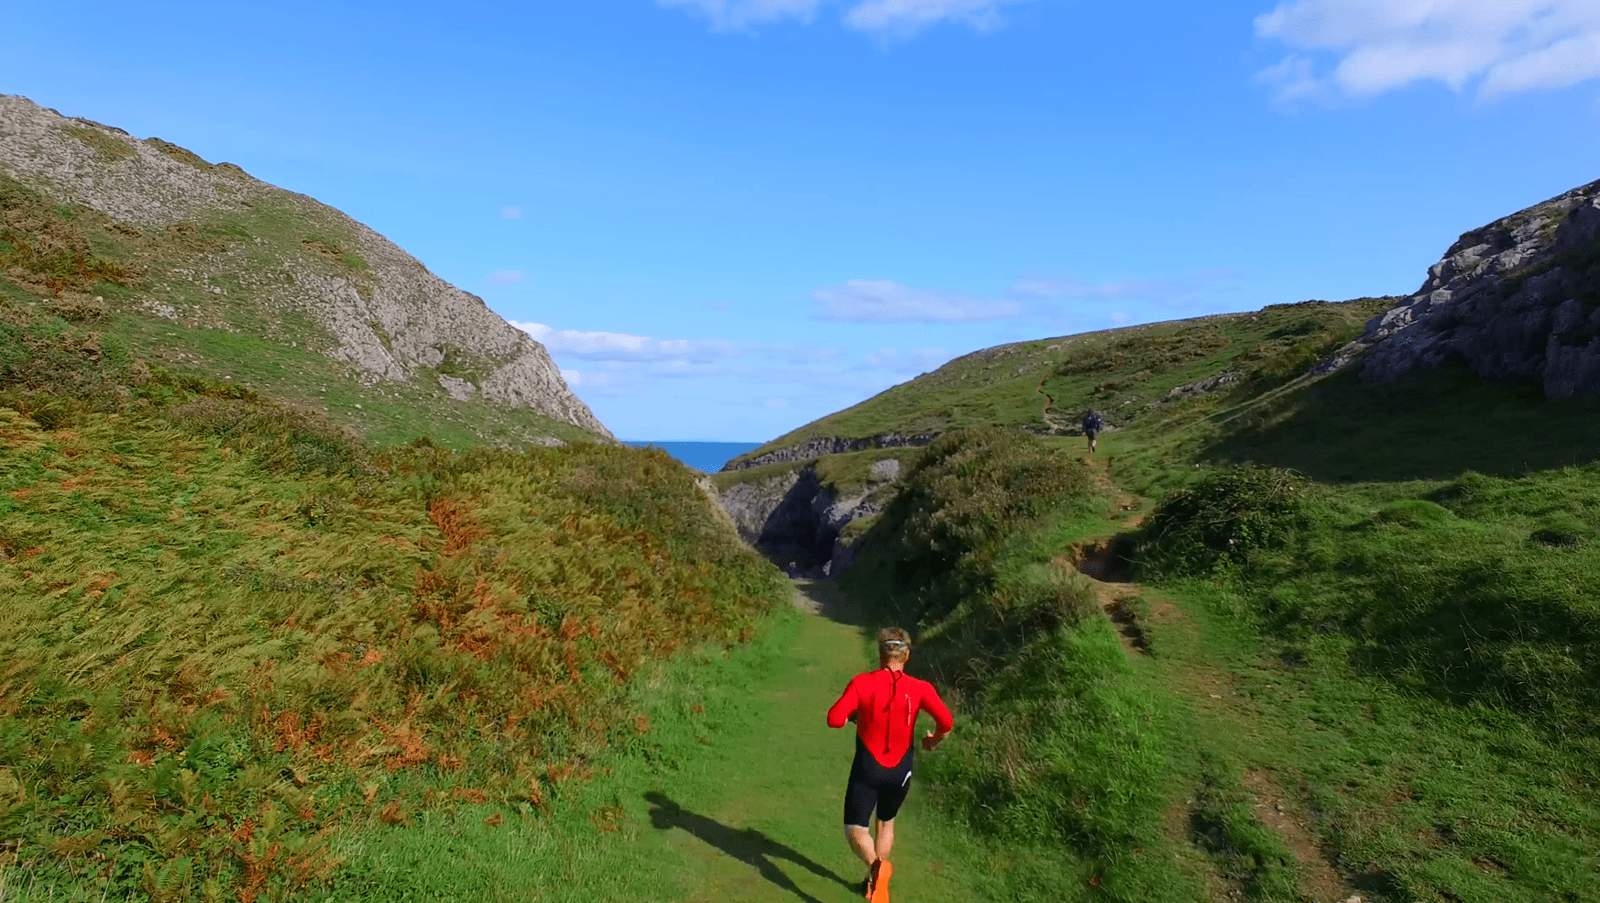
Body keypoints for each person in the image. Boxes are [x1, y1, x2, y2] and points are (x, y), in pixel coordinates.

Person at [826, 628, 954, 902]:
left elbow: (834, 719)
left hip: (868, 767)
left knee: (856, 829)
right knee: (886, 823)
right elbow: (946, 722)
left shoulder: (862, 683)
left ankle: (876, 868)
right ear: (906, 656)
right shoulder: (921, 688)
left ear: (881, 655)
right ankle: (873, 883)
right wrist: (933, 741)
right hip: (901, 771)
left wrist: (857, 716)